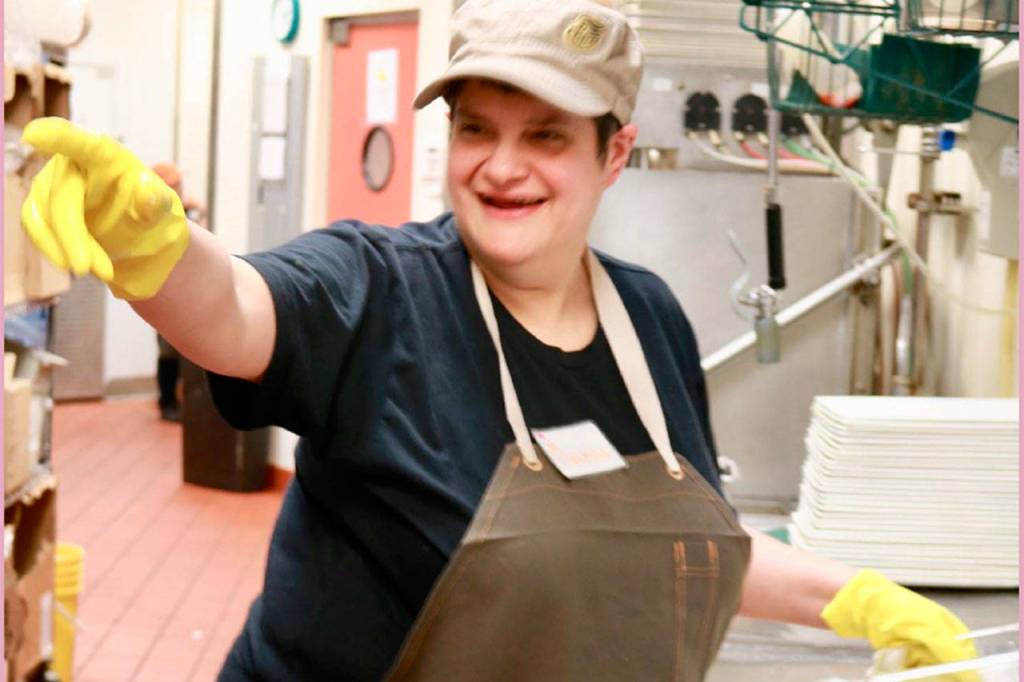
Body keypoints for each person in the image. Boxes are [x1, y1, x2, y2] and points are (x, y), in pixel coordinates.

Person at [21, 1, 980, 680]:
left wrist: (855, 600)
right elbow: (233, 310)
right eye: (477, 128)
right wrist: (157, 250)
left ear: (613, 153)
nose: (502, 168)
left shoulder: (649, 322)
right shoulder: (379, 288)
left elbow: (691, 553)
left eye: (547, 136)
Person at [149, 162, 207, 421]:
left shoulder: (176, 209)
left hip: (178, 287)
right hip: (165, 288)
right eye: (176, 184)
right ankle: (167, 402)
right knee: (169, 349)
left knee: (176, 347)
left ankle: (172, 400)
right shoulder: (159, 212)